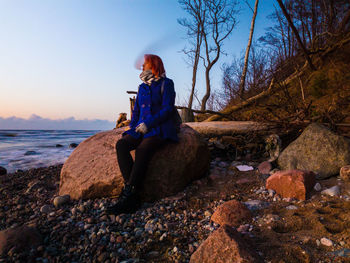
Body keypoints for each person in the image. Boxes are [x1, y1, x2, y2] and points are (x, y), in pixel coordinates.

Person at [106, 54, 178, 215]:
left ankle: (129, 196)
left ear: (153, 65)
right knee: (122, 144)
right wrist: (133, 129)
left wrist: (149, 124)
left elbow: (168, 109)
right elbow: (136, 111)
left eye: (144, 64)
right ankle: (131, 194)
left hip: (160, 127)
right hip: (141, 128)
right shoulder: (142, 87)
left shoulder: (166, 83)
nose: (142, 66)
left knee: (142, 150)